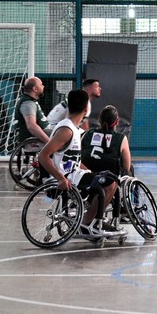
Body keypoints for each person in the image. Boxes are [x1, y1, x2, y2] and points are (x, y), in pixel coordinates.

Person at [38, 89, 124, 238]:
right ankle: (86, 222)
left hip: (74, 174)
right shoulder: (66, 130)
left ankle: (89, 220)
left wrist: (91, 172)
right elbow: (43, 156)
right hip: (65, 178)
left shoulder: (74, 129)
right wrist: (60, 178)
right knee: (109, 184)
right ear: (86, 109)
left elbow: (72, 160)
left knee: (109, 179)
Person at [81, 105, 132, 176]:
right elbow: (127, 167)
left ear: (100, 120)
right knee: (130, 169)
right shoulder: (121, 138)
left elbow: (77, 156)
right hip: (109, 180)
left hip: (86, 176)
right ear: (117, 121)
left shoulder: (88, 134)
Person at [13, 76, 50, 143]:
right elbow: (32, 126)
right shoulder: (28, 103)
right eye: (41, 84)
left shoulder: (31, 101)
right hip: (34, 142)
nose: (43, 86)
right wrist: (49, 143)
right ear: (35, 89)